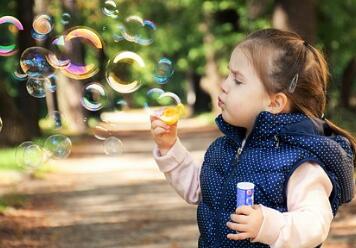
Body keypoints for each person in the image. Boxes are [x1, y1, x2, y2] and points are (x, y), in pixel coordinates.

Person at [150, 28, 356, 248]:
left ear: (275, 103)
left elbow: (315, 224)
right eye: (228, 74)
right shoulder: (225, 148)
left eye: (237, 80)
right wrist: (170, 147)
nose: (224, 84)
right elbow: (200, 190)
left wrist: (267, 225)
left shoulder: (299, 161)